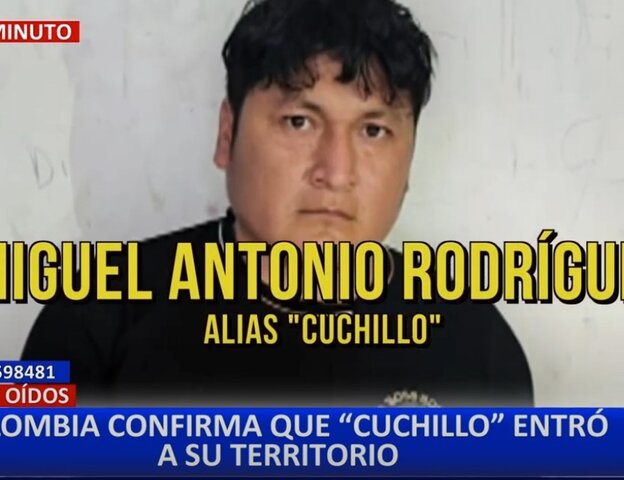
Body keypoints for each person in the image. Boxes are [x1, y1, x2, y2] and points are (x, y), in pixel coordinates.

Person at [22, 0, 533, 406]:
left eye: (373, 131)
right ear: (227, 135)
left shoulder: (477, 344)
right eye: (299, 122)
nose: (336, 172)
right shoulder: (92, 316)